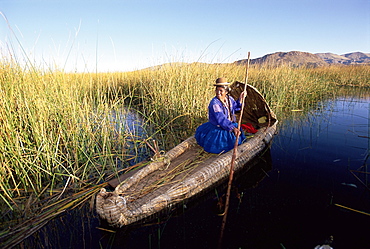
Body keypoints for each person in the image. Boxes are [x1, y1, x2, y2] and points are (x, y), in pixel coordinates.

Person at [195, 77, 246, 154]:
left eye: (221, 91)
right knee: (226, 144)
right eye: (217, 90)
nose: (218, 93)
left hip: (229, 124)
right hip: (219, 128)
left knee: (238, 138)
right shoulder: (215, 103)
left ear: (226, 92)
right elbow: (220, 118)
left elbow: (235, 108)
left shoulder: (229, 99)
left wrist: (240, 99)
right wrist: (232, 128)